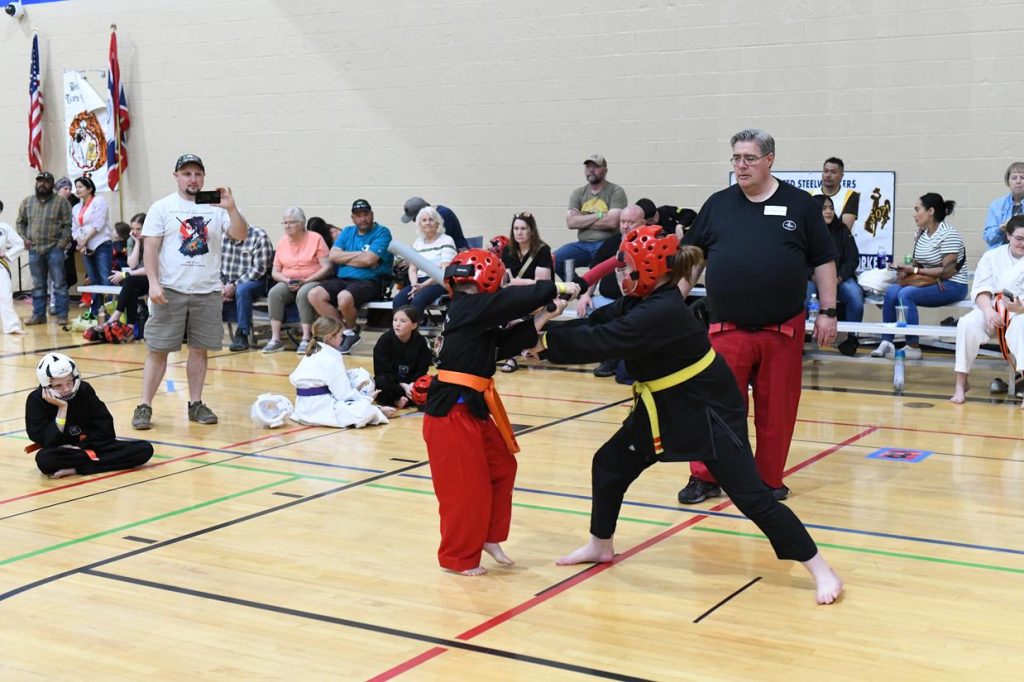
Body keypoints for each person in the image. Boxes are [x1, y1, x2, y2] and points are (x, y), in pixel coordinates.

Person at [531, 226, 843, 605]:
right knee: (609, 464)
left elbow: (602, 341)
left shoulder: (660, 310)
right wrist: (532, 331)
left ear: (649, 268)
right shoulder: (642, 300)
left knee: (751, 497)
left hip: (708, 409)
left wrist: (542, 343)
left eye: (626, 266)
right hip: (663, 404)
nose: (620, 273)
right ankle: (600, 544)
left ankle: (820, 567)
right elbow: (595, 324)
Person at [678, 129, 838, 505]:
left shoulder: (800, 205)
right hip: (726, 328)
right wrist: (670, 303)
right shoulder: (717, 205)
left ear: (769, 160)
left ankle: (767, 480)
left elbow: (823, 261)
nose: (741, 166)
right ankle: (706, 477)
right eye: (736, 158)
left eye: (749, 158)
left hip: (782, 329)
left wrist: (828, 312)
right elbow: (693, 259)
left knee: (777, 410)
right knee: (715, 407)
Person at [423, 249, 577, 575]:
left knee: (502, 468)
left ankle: (488, 536)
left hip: (472, 409)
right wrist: (558, 287)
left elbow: (501, 345)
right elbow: (513, 301)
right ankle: (458, 557)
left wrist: (544, 316)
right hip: (450, 415)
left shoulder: (473, 314)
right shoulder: (468, 306)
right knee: (465, 490)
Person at [132, 154, 249, 430]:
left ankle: (195, 404)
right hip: (170, 290)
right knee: (158, 349)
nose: (192, 179)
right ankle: (144, 405)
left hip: (207, 291)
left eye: (197, 174)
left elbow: (240, 234)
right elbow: (150, 248)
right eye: (186, 174)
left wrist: (232, 208)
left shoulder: (217, 207)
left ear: (203, 178)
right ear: (176, 177)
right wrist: (153, 283)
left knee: (199, 350)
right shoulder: (162, 207)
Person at [870, 193, 969, 360]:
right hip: (930, 281)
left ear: (930, 211)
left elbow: (946, 272)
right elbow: (919, 263)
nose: (914, 214)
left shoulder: (948, 234)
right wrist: (905, 269)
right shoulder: (921, 233)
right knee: (892, 291)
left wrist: (915, 271)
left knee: (906, 294)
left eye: (917, 209)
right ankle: (887, 341)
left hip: (952, 285)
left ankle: (913, 346)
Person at [26, 353, 154, 478]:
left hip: (92, 445)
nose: (66, 389)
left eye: (69, 382)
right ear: (46, 385)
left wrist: (80, 447)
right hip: (63, 452)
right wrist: (62, 409)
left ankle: (78, 468)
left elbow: (106, 430)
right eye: (58, 385)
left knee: (144, 449)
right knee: (44, 459)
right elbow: (47, 441)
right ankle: (96, 464)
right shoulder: (36, 400)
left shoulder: (84, 389)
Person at [952, 216, 1024, 405]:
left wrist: (1021, 307)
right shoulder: (992, 257)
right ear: (1008, 236)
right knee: (967, 324)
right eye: (1019, 238)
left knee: (1021, 326)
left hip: (1021, 311)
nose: (1023, 243)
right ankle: (961, 384)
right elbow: (981, 289)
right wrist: (988, 311)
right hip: (991, 307)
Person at [307, 199, 393, 354]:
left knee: (344, 297)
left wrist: (347, 258)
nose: (363, 218)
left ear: (372, 215)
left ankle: (350, 329)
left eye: (366, 214)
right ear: (353, 218)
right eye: (358, 215)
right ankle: (347, 332)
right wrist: (361, 255)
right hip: (343, 279)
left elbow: (369, 260)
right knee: (314, 294)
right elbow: (333, 256)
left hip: (370, 280)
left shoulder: (382, 232)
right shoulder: (347, 231)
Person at [576, 204, 646, 378]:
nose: (625, 226)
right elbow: (595, 270)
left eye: (630, 222)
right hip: (608, 299)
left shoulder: (647, 245)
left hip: (636, 300)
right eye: (622, 221)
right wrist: (585, 295)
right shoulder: (611, 243)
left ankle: (615, 358)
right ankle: (604, 354)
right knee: (588, 310)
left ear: (643, 223)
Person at [289, 316, 393, 427]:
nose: (342, 338)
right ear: (329, 337)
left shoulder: (312, 352)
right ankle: (378, 411)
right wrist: (367, 398)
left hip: (302, 408)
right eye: (340, 335)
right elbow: (343, 395)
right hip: (321, 409)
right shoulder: (331, 358)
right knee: (363, 411)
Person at [262, 207, 333, 354]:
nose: (287, 226)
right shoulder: (282, 242)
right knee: (274, 293)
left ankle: (306, 338)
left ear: (302, 223)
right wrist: (287, 280)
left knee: (304, 293)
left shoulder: (316, 238)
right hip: (289, 281)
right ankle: (275, 339)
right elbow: (275, 272)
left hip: (313, 280)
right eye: (285, 222)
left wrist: (306, 281)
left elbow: (327, 267)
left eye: (291, 222)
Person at [554, 154, 628, 278]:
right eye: (588, 167)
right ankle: (578, 287)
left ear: (605, 170)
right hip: (582, 245)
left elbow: (612, 222)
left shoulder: (616, 191)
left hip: (606, 244)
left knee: (608, 264)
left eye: (596, 166)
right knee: (555, 259)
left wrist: (582, 219)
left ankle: (591, 287)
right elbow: (571, 223)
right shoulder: (578, 193)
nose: (591, 170)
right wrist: (600, 215)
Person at [808, 195, 864, 357]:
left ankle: (851, 339)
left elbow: (852, 259)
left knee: (855, 297)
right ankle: (803, 338)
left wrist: (839, 278)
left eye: (831, 208)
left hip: (839, 279)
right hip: (813, 279)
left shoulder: (842, 230)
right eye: (824, 208)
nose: (829, 212)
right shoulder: (806, 231)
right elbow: (801, 259)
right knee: (804, 297)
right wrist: (812, 276)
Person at [498, 212, 553, 372]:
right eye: (516, 229)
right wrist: (524, 282)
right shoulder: (507, 250)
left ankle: (511, 357)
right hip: (514, 296)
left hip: (537, 296)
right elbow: (505, 281)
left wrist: (515, 282)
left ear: (531, 231)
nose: (519, 232)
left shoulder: (542, 250)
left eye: (523, 228)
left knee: (509, 312)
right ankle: (511, 351)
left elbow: (541, 284)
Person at [16, 171, 73, 326]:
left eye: (46, 182)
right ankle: (39, 315)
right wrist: (24, 239)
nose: (42, 184)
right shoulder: (27, 202)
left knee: (59, 283)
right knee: (38, 284)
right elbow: (20, 222)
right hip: (34, 249)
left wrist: (61, 244)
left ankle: (62, 314)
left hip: (55, 248)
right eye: (40, 181)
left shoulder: (61, 202)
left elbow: (68, 225)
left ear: (52, 184)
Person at [392, 205, 457, 316]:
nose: (427, 223)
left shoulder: (446, 240)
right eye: (424, 220)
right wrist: (414, 285)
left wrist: (423, 286)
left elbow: (444, 270)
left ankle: (415, 326)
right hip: (418, 281)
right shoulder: (418, 243)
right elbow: (412, 269)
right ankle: (401, 326)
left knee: (418, 300)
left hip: (439, 282)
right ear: (419, 224)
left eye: (431, 219)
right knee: (398, 300)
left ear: (437, 223)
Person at [222, 221, 273, 352]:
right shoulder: (223, 236)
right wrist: (221, 286)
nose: (228, 234)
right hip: (227, 281)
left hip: (257, 281)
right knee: (208, 287)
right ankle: (204, 332)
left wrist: (234, 285)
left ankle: (242, 334)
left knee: (242, 290)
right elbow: (215, 265)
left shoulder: (259, 236)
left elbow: (259, 269)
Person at [70, 175, 113, 320]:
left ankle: (110, 313)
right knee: (93, 280)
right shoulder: (76, 207)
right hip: (85, 247)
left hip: (101, 244)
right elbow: (74, 228)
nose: (77, 190)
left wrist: (84, 240)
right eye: (76, 187)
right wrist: (80, 242)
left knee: (104, 278)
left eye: (81, 187)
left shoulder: (99, 201)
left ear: (89, 189)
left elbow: (99, 223)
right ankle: (96, 312)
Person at [373, 305, 432, 408]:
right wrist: (402, 385)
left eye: (403, 321)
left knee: (432, 384)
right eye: (395, 320)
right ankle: (399, 399)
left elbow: (422, 369)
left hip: (412, 383)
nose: (397, 324)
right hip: (393, 383)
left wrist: (412, 384)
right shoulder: (385, 340)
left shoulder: (421, 342)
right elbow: (381, 370)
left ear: (414, 325)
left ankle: (399, 399)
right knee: (380, 382)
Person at [105, 213, 149, 332]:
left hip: (155, 278)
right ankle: (130, 327)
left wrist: (125, 274)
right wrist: (137, 243)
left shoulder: (151, 240)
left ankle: (117, 315)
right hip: (139, 279)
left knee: (129, 280)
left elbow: (148, 269)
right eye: (133, 229)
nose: (135, 232)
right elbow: (132, 265)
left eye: (138, 229)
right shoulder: (131, 240)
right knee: (132, 289)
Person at [810, 157, 860, 231]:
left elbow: (845, 230)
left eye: (833, 172)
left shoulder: (850, 195)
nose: (828, 175)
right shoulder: (810, 195)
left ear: (841, 176)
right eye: (825, 171)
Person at [401, 197, 468, 251]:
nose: (415, 221)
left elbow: (437, 243)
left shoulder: (443, 214)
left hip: (458, 251)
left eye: (414, 219)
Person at [983, 161, 1024, 249]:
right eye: (1014, 178)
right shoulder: (996, 205)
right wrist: (1000, 230)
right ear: (1008, 181)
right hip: (1001, 252)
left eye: (1022, 177)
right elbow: (989, 238)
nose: (1018, 181)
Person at [0, 200, 26, 335]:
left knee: (5, 296)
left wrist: (7, 254)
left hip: (1, 267)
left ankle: (12, 326)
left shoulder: (4, 228)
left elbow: (19, 244)